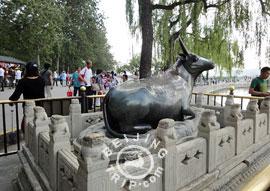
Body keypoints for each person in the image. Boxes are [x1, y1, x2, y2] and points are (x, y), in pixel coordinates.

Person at [9, 62, 45, 133]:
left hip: (28, 107)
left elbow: (16, 95)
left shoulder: (23, 81)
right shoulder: (41, 80)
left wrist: (11, 102)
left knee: (27, 126)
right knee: (40, 124)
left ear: (27, 70)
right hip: (40, 106)